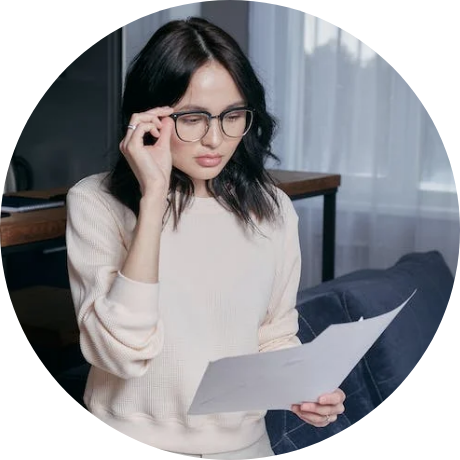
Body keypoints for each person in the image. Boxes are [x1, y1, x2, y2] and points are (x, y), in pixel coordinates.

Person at [66, 17, 345, 458]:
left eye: (232, 115)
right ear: (149, 116)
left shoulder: (271, 208)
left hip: (245, 446)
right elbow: (118, 354)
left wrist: (304, 387)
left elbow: (273, 334)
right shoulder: (95, 203)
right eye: (193, 118)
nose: (215, 139)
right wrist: (154, 198)